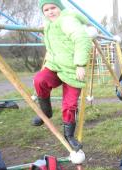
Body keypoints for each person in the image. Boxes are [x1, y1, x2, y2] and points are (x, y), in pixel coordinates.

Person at [32, 0, 92, 151]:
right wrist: (44, 28)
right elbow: (54, 34)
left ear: (60, 8)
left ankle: (69, 135)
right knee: (40, 80)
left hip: (72, 68)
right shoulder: (49, 24)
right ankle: (46, 112)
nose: (50, 12)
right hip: (55, 65)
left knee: (69, 104)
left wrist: (80, 64)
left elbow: (82, 39)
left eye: (53, 8)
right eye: (46, 10)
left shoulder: (67, 20)